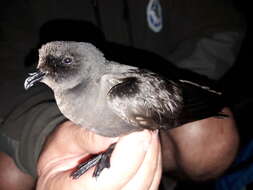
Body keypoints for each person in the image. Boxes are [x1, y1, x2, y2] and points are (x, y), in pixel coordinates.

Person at [0, 0, 245, 189]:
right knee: (7, 174)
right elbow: (7, 67)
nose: (41, 72)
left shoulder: (117, 93)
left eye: (58, 64)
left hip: (153, 97)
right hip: (47, 113)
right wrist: (46, 131)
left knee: (210, 141)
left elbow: (220, 27)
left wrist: (156, 91)